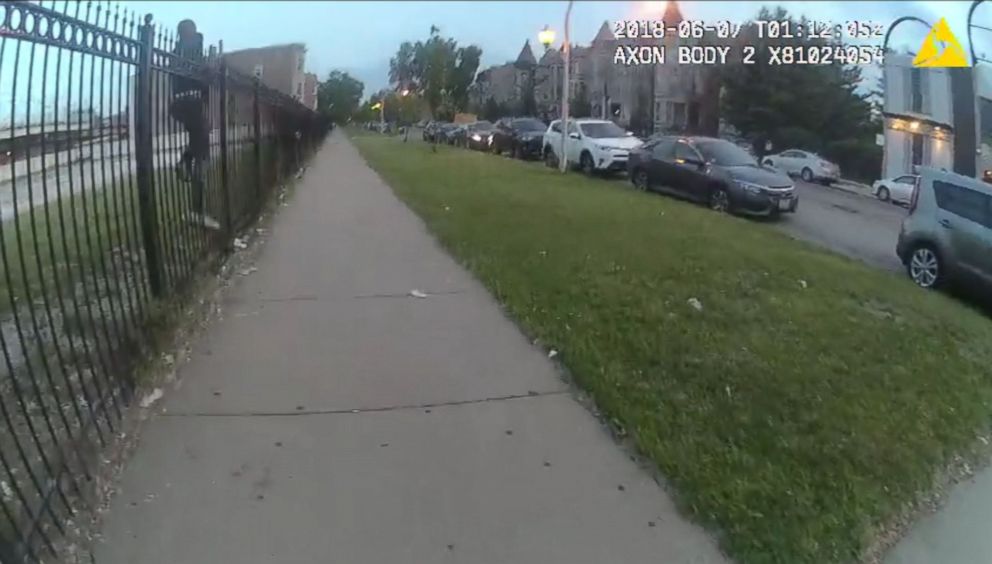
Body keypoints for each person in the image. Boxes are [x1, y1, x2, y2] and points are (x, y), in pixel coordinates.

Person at [169, 19, 219, 230]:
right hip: (188, 103)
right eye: (190, 32)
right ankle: (196, 212)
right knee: (202, 152)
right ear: (184, 33)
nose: (194, 35)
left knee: (201, 143)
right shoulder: (186, 51)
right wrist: (208, 68)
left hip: (189, 104)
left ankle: (184, 162)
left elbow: (203, 79)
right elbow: (195, 76)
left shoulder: (184, 50)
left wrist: (208, 69)